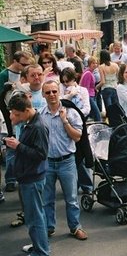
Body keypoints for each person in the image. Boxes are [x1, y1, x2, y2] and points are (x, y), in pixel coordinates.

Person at [39, 80, 88, 240]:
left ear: (59, 92)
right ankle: (48, 228)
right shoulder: (40, 115)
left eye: (54, 91)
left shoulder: (71, 112)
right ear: (43, 95)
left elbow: (77, 136)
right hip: (47, 162)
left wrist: (64, 120)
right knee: (47, 199)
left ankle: (75, 227)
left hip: (66, 162)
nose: (52, 95)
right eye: (48, 92)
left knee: (72, 199)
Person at [5, 92, 50, 256]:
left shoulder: (38, 127)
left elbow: (41, 154)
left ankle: (41, 252)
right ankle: (38, 246)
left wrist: (18, 146)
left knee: (34, 218)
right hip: (28, 178)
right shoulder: (31, 123)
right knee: (35, 217)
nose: (13, 117)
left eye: (16, 114)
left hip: (32, 179)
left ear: (26, 110)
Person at [79, 57, 101, 122]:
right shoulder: (88, 73)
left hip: (92, 94)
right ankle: (99, 125)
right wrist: (86, 98)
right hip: (89, 96)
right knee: (97, 113)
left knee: (90, 113)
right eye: (93, 63)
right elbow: (86, 87)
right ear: (89, 64)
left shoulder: (91, 72)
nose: (95, 64)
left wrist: (94, 89)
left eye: (96, 63)